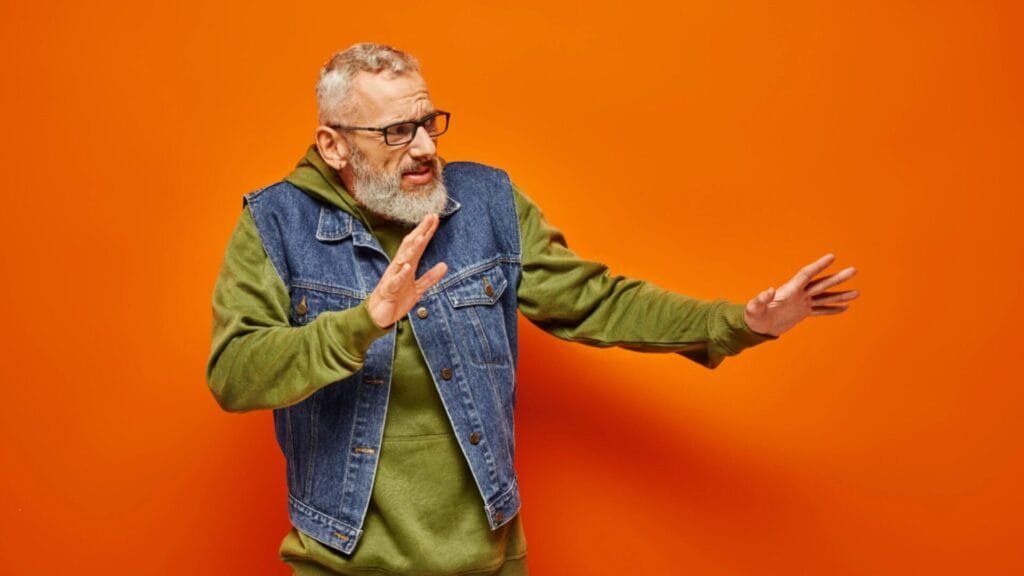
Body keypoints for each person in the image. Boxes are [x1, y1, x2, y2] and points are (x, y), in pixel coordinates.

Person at [207, 42, 858, 575]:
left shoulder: (487, 203)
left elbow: (597, 301)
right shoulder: (275, 224)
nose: (426, 148)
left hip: (487, 563)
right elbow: (235, 372)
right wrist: (364, 322)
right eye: (397, 132)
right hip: (341, 565)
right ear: (334, 146)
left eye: (428, 123)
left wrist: (742, 322)